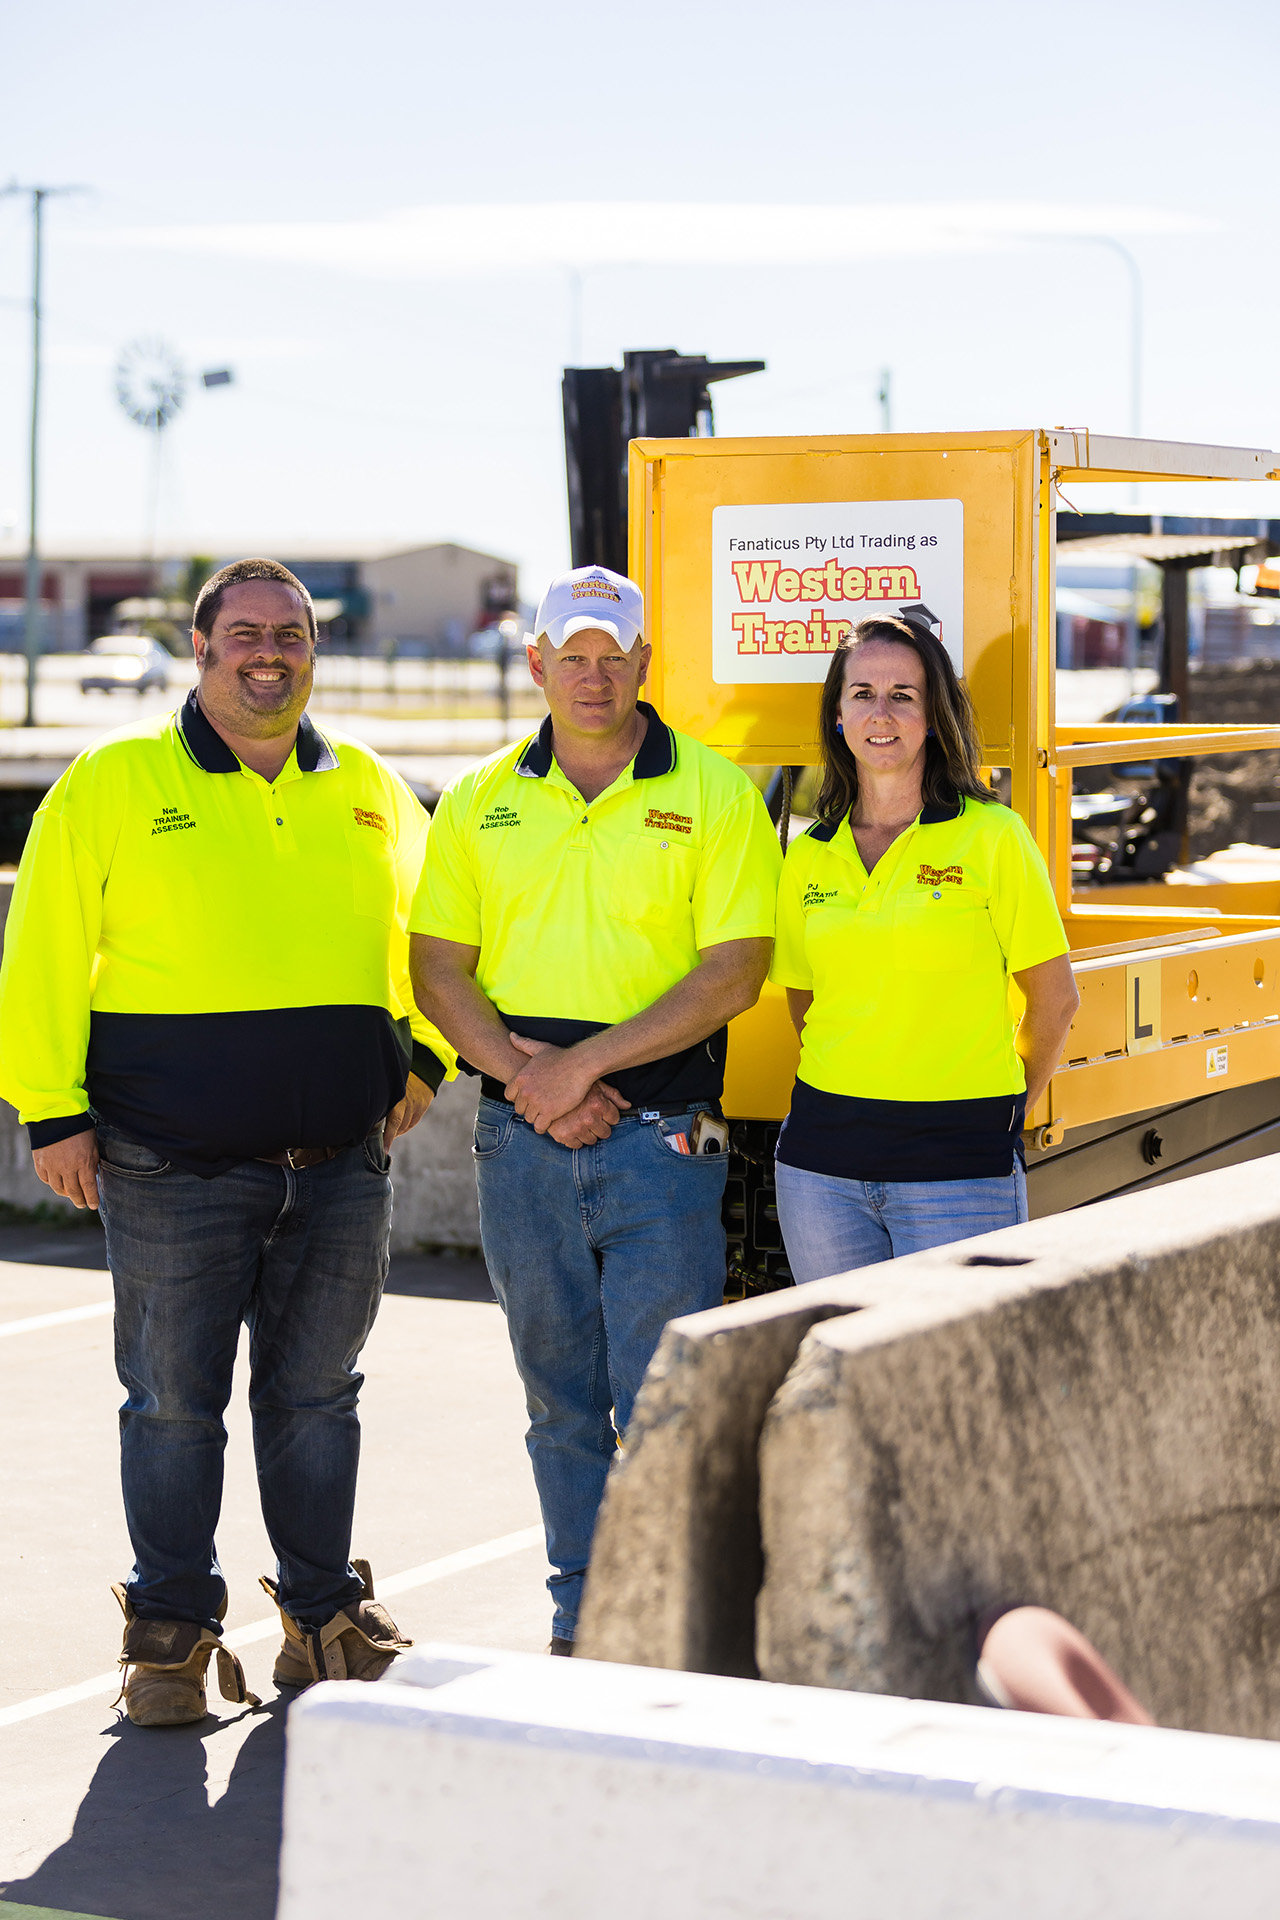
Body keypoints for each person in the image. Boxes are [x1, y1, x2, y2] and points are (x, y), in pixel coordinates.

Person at [0, 557, 453, 1726]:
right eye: (245, 632)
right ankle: (171, 1639)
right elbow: (42, 947)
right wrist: (52, 1112)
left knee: (317, 1401)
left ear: (313, 650)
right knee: (169, 1407)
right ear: (199, 651)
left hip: (341, 1167)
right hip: (168, 1165)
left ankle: (320, 1619)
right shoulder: (111, 781)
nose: (270, 652)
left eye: (291, 634)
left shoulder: (364, 785)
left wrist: (425, 1059)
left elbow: (442, 928)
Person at [409, 565, 781, 1652]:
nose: (591, 676)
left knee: (660, 1402)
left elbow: (734, 974)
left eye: (611, 657)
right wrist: (533, 1081)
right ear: (534, 664)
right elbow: (437, 967)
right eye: (570, 656)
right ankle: (581, 1618)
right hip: (516, 1143)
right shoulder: (480, 798)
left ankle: (672, 1621)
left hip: (666, 1142)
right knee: (558, 1406)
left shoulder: (712, 793)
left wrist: (577, 1071)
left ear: (644, 667)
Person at [772, 616, 1079, 1282]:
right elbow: (805, 1001)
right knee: (846, 1380)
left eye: (903, 696)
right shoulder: (810, 856)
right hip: (821, 1168)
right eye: (861, 694)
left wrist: (1003, 1111)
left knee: (962, 1382)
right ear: (837, 714)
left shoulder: (993, 837)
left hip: (958, 1165)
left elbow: (1055, 1002)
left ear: (933, 716)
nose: (881, 713)